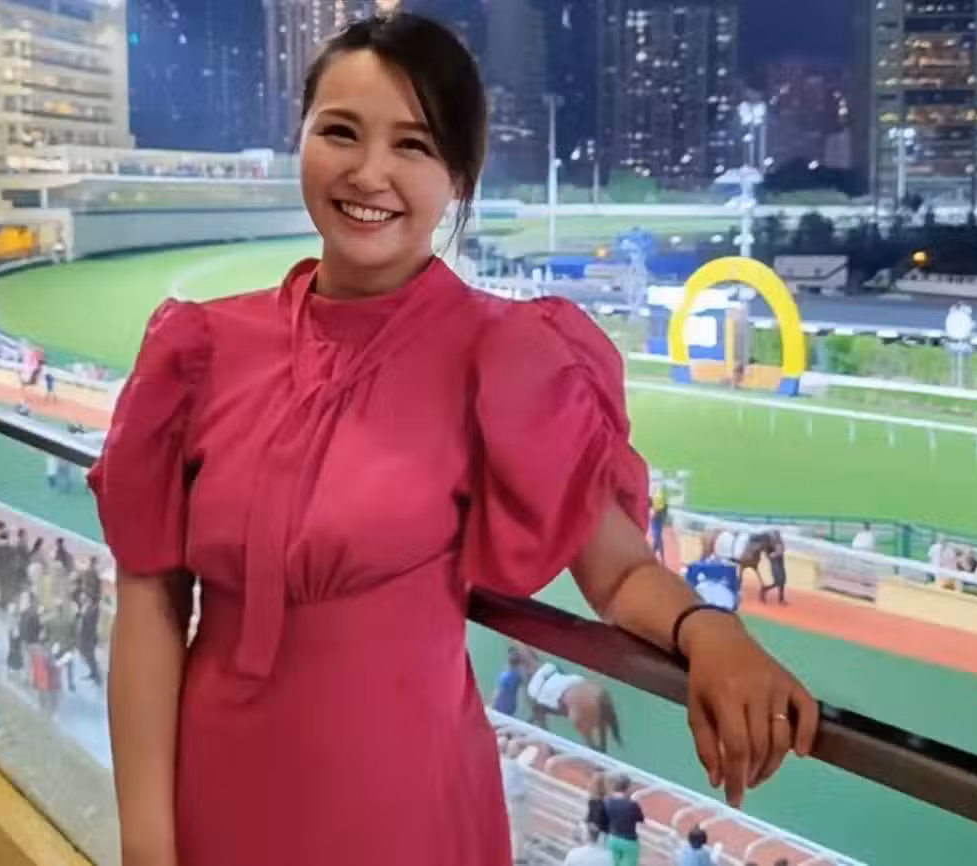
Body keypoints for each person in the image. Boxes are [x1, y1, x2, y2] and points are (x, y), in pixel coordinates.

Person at [90, 13, 817, 866]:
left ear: (459, 177)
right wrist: (147, 845)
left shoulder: (504, 360)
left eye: (414, 145)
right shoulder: (202, 350)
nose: (369, 172)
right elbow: (150, 605)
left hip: (410, 809)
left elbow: (617, 572)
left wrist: (707, 629)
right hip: (219, 793)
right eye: (340, 132)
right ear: (302, 140)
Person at [603, 774, 644, 866]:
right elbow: (640, 819)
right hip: (629, 841)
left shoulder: (607, 801)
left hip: (612, 838)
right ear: (627, 788)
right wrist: (634, 802)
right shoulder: (632, 805)